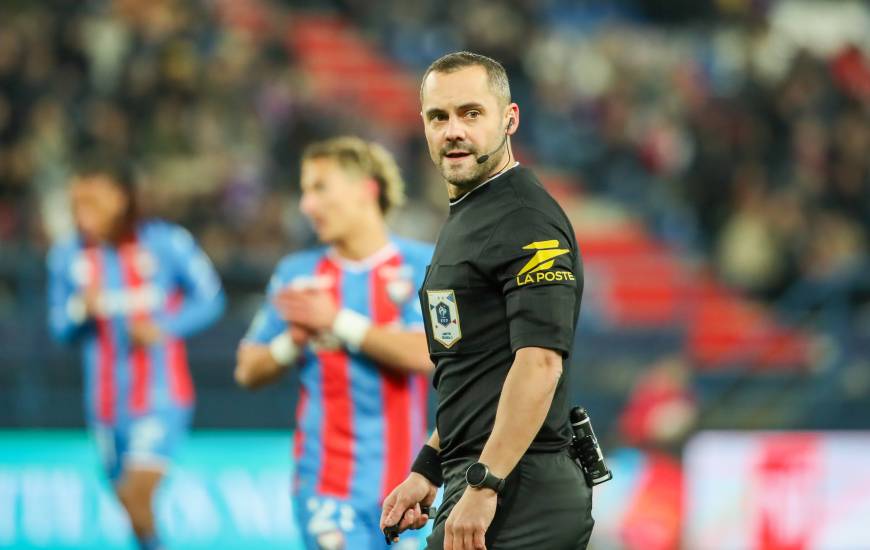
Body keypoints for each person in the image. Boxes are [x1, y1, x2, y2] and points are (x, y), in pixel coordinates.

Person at [380, 51, 594, 550]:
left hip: (521, 488)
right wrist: (428, 469)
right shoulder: (471, 215)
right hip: (483, 477)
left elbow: (540, 363)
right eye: (439, 117)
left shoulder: (525, 219)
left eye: (471, 113)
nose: (453, 130)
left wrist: (485, 484)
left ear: (510, 119)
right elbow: (476, 373)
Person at [234, 136, 434, 550]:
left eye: (320, 187)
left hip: (410, 488)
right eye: (305, 191)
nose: (307, 205)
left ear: (367, 189)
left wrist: (338, 321)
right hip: (326, 485)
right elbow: (247, 369)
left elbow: (431, 354)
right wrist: (293, 342)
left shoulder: (424, 265)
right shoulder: (298, 273)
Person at [47, 156, 225, 550]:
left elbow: (211, 298)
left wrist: (164, 327)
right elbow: (59, 328)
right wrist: (81, 311)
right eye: (77, 204)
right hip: (105, 405)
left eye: (93, 202)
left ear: (122, 198)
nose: (83, 213)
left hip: (160, 396)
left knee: (137, 493)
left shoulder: (166, 242)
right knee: (130, 505)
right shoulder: (67, 256)